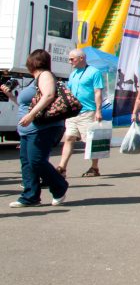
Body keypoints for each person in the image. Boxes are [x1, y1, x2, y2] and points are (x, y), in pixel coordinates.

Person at [3, 49, 69, 207]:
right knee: (27, 163)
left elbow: (48, 95)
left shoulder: (45, 75)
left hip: (42, 128)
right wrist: (11, 97)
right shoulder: (35, 79)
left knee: (36, 161)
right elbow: (26, 105)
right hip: (29, 129)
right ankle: (30, 196)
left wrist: (31, 115)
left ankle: (59, 186)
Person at [57, 49, 104, 178]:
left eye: (72, 59)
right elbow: (70, 92)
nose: (70, 61)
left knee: (89, 141)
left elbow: (98, 92)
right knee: (69, 138)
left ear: (81, 58)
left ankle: (94, 167)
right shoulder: (73, 74)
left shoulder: (94, 72)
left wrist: (98, 111)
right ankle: (62, 168)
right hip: (73, 113)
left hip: (88, 111)